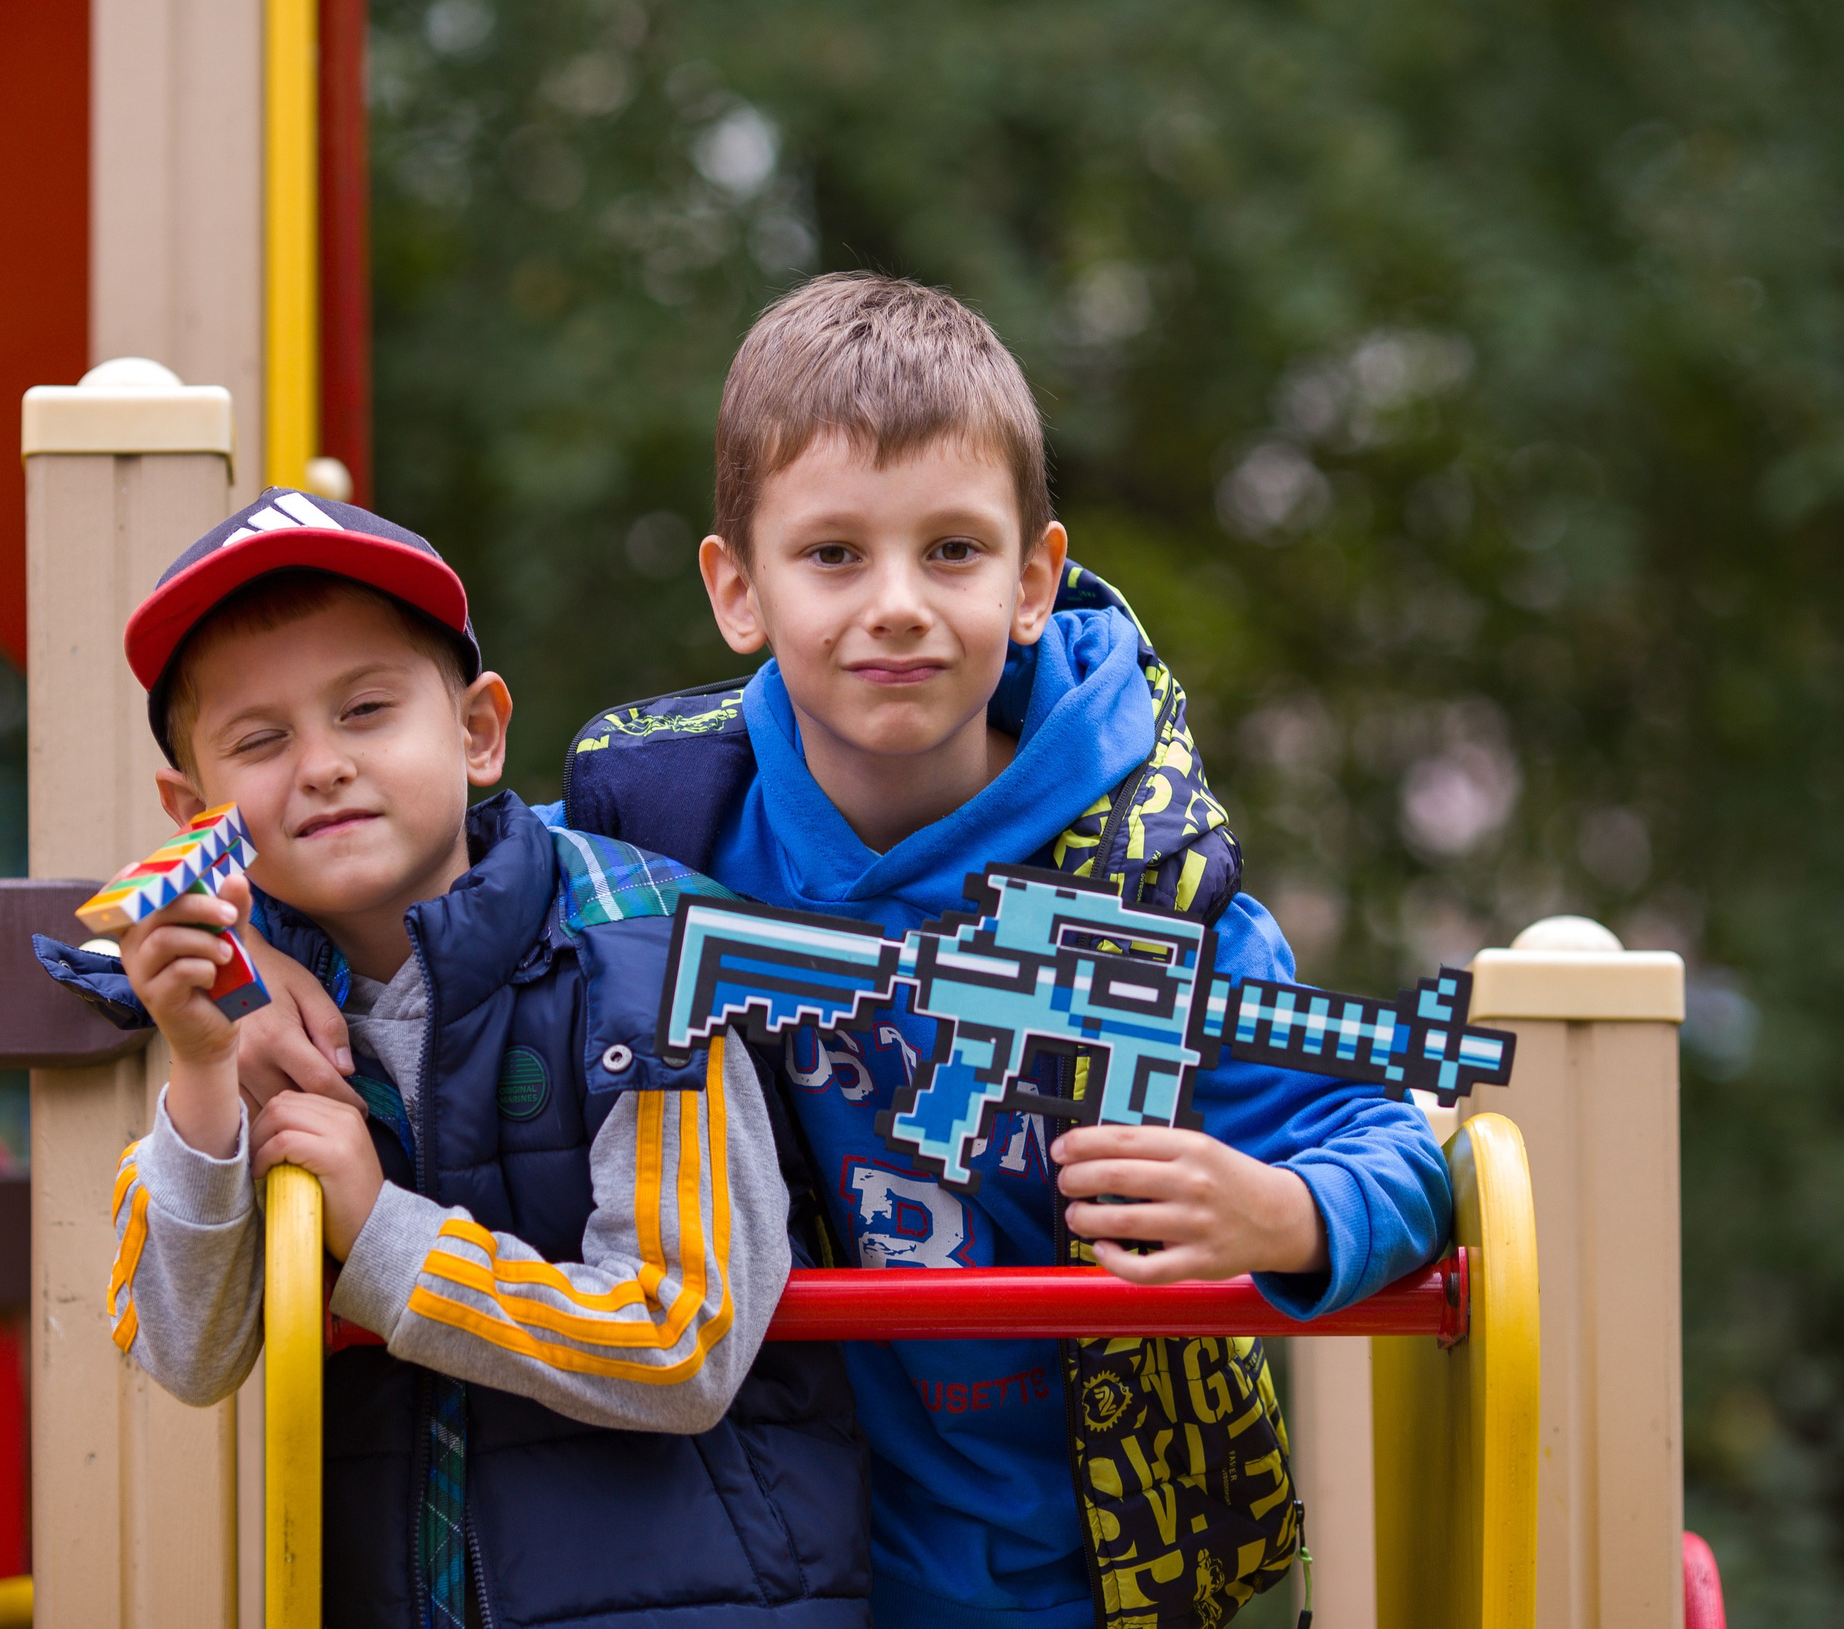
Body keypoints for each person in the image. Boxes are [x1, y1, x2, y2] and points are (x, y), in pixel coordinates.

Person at [550, 275, 1455, 1628]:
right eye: (835, 554)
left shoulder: (1144, 885)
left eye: (954, 552)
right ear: (739, 589)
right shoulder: (658, 843)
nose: (900, 604)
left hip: (1064, 1584)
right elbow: (421, 918)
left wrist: (1279, 1214)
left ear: (1035, 579)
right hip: (753, 1573)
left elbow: (1402, 1145)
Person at [87, 490, 869, 1629]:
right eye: (259, 740)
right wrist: (203, 1070)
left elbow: (680, 1337)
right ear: (191, 810)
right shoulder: (242, 1007)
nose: (320, 765)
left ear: (476, 731)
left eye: (365, 709)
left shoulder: (637, 952)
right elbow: (188, 1351)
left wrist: (379, 1225)